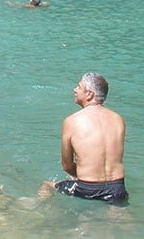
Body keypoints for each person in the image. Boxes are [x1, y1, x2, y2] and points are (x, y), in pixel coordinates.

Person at [41, 72, 128, 204]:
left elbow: (67, 165)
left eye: (79, 86)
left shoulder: (72, 121)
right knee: (117, 216)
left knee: (47, 185)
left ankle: (41, 210)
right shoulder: (118, 119)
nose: (75, 90)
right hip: (117, 189)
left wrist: (81, 176)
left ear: (89, 94)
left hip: (87, 189)